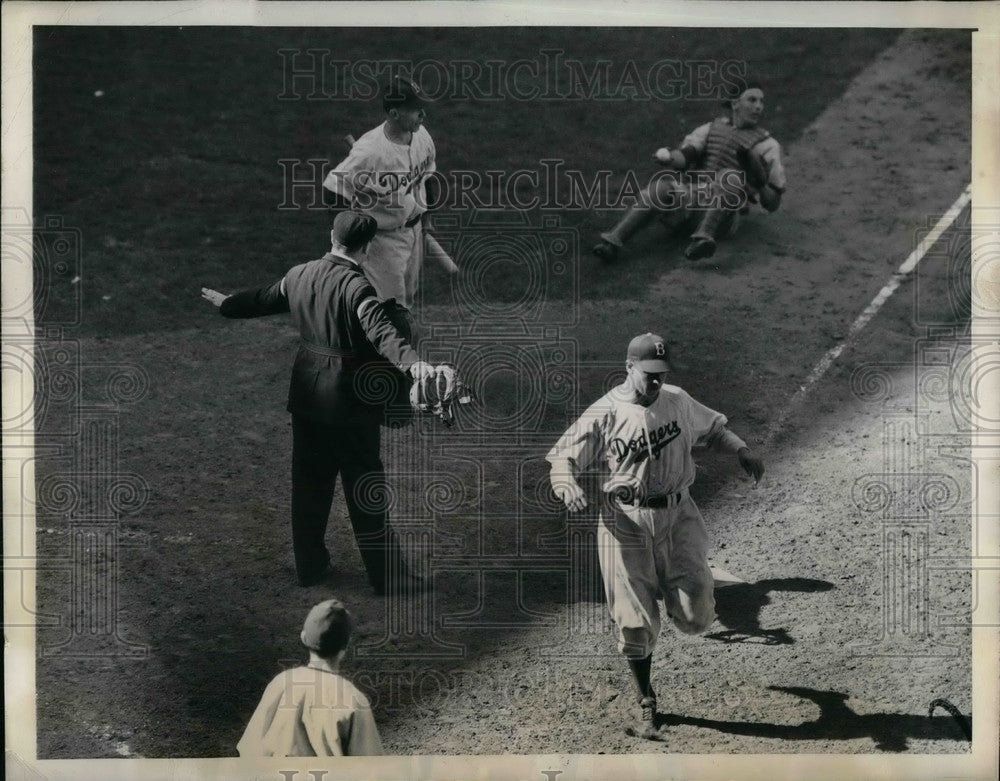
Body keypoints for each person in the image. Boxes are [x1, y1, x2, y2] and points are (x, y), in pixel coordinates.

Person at [201, 210, 450, 593]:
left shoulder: (299, 274)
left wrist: (227, 304)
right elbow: (383, 334)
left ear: (331, 236)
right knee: (365, 488)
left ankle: (311, 567)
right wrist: (416, 366)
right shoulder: (357, 288)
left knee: (309, 484)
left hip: (307, 397)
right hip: (350, 405)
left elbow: (262, 298)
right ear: (367, 247)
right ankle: (390, 578)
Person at [546, 333, 765, 740]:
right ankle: (646, 699)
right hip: (624, 525)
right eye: (649, 375)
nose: (656, 383)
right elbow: (562, 459)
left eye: (661, 375)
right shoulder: (605, 412)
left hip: (679, 515)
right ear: (629, 367)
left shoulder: (677, 400)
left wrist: (741, 449)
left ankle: (686, 576)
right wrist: (566, 484)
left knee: (697, 619)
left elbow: (714, 428)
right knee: (634, 624)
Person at [592, 83, 786, 263]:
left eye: (761, 102)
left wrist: (759, 182)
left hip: (723, 221)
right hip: (689, 208)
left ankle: (703, 239)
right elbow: (686, 156)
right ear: (735, 103)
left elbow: (773, 203)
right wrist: (668, 158)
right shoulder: (710, 128)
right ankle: (612, 242)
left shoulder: (767, 145)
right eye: (752, 100)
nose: (759, 106)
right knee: (663, 186)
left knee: (730, 176)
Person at [322, 75, 437, 315]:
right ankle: (381, 350)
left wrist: (427, 218)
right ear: (394, 114)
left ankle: (395, 344)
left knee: (407, 300)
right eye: (415, 110)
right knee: (389, 309)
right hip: (382, 242)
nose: (423, 115)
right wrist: (350, 235)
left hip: (413, 232)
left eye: (422, 108)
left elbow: (427, 176)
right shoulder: (370, 152)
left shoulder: (422, 136)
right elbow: (333, 189)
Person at [237, 598, 383, 756]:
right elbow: (372, 770)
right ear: (345, 646)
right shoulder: (353, 699)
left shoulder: (281, 683)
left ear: (304, 638)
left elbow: (249, 751)